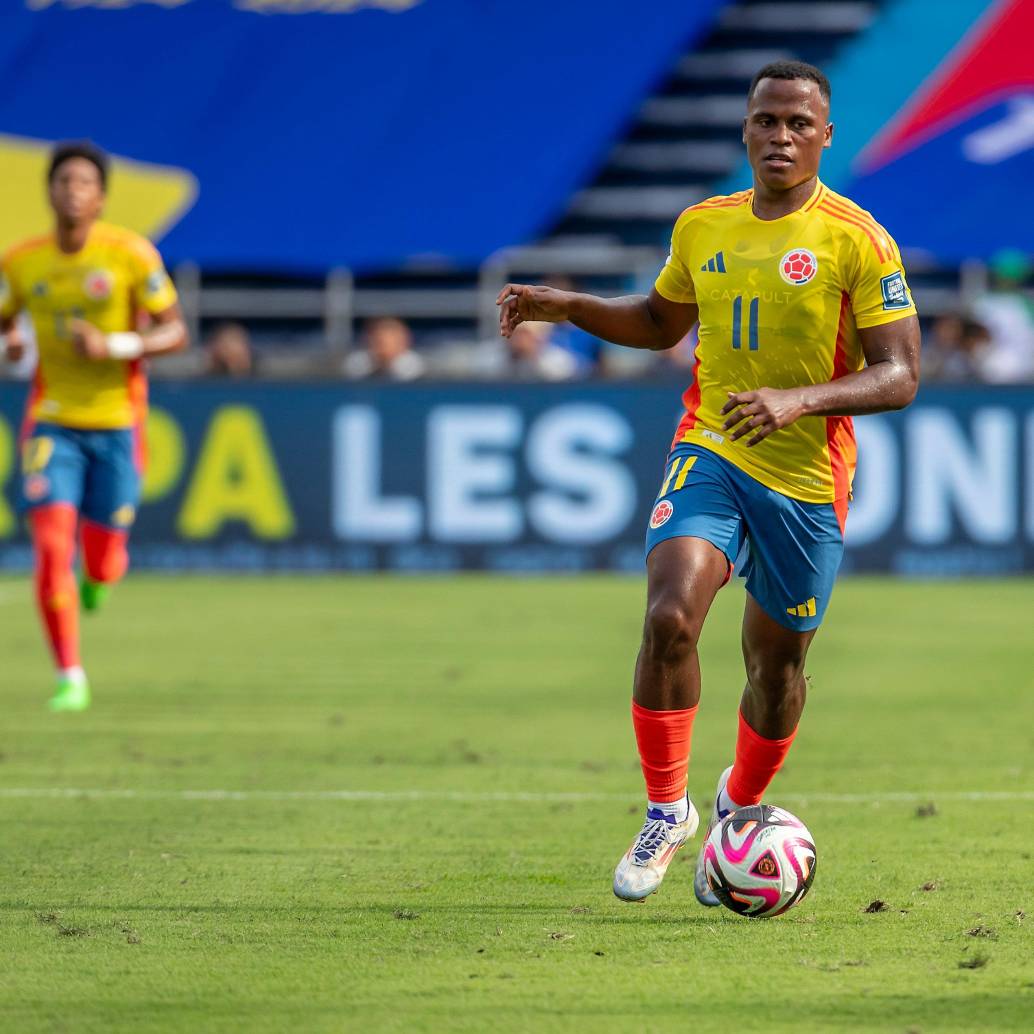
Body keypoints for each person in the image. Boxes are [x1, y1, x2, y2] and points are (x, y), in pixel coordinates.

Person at [497, 61, 920, 906]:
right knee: (668, 619)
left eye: (800, 124)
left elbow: (900, 374)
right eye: (767, 120)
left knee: (777, 668)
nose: (782, 136)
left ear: (825, 137)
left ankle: (742, 805)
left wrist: (802, 399)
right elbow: (661, 324)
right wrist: (567, 306)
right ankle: (666, 811)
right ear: (745, 129)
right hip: (713, 447)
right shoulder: (703, 226)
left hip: (805, 478)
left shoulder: (858, 239)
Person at [0, 141, 188, 711]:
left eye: (83, 183)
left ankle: (100, 579)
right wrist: (9, 342)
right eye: (63, 182)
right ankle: (70, 674)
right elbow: (5, 318)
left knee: (103, 558)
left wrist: (116, 345)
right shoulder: (22, 261)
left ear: (101, 197)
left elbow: (175, 332)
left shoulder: (131, 256)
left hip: (117, 425)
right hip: (52, 423)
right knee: (53, 546)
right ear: (49, 191)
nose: (72, 191)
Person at [475, 319, 578, 381]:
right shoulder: (488, 358)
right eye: (514, 332)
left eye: (524, 334)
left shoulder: (559, 362)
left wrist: (532, 357)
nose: (518, 339)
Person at [343, 317, 426, 381]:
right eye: (376, 340)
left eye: (384, 342)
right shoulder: (357, 363)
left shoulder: (414, 366)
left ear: (402, 342)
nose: (379, 347)